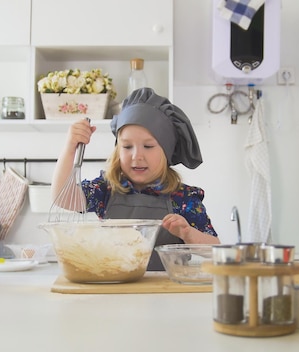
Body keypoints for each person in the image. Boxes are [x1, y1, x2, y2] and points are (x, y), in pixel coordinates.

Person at [51, 87, 220, 270]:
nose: (137, 156)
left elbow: (216, 249)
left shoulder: (183, 198)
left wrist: (188, 234)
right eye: (127, 146)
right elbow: (63, 198)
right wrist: (70, 147)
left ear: (167, 151)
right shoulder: (105, 190)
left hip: (166, 293)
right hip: (116, 289)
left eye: (148, 146)